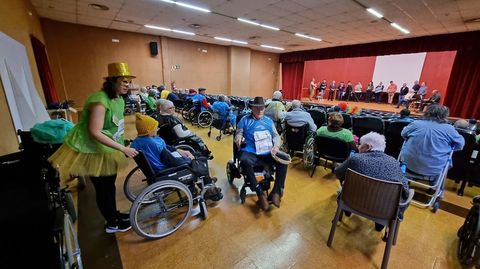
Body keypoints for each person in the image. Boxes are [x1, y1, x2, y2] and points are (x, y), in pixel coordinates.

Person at [49, 63, 138, 233]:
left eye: (129, 81)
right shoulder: (100, 100)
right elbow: (95, 131)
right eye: (124, 81)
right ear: (112, 81)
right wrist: (123, 149)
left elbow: (113, 126)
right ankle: (112, 224)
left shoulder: (118, 98)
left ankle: (114, 215)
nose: (128, 85)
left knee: (109, 185)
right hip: (93, 150)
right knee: (103, 188)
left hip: (108, 149)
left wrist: (122, 143)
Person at [131, 113, 222, 201]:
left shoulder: (138, 141)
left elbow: (166, 148)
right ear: (148, 131)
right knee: (200, 160)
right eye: (154, 128)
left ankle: (207, 181)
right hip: (167, 169)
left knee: (197, 155)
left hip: (157, 167)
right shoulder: (153, 143)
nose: (157, 129)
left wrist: (181, 151)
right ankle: (209, 188)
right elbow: (172, 161)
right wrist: (189, 159)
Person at [334, 132, 410, 230]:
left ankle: (347, 211)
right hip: (385, 211)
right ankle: (380, 225)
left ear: (368, 146)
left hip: (352, 202)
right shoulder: (394, 163)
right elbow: (405, 191)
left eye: (360, 145)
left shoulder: (355, 158)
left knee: (344, 182)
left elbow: (337, 173)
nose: (358, 147)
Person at [235, 97, 288, 210]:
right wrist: (239, 139)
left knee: (284, 159)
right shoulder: (244, 120)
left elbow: (275, 136)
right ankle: (259, 192)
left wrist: (276, 146)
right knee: (244, 161)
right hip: (251, 152)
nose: (260, 111)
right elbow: (238, 133)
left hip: (268, 153)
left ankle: (276, 192)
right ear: (252, 108)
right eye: (257, 108)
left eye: (262, 108)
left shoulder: (268, 121)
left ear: (264, 108)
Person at [399, 105, 465, 184]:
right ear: (445, 115)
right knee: (447, 160)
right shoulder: (449, 129)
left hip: (408, 164)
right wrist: (446, 148)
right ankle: (437, 190)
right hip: (434, 168)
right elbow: (460, 145)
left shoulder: (416, 124)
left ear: (427, 112)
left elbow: (403, 134)